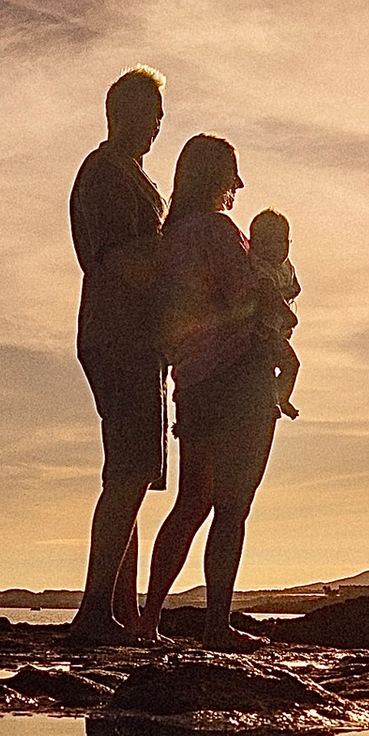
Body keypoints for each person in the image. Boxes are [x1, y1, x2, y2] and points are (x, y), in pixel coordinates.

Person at [139, 133, 280, 650]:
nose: (239, 185)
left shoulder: (168, 237)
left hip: (192, 384)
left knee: (191, 501)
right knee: (232, 505)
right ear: (214, 177)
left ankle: (148, 616)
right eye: (232, 173)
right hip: (239, 379)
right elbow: (247, 296)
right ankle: (216, 626)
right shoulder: (220, 230)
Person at [66, 69, 168, 644]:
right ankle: (94, 612)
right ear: (123, 111)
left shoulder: (127, 174)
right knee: (128, 473)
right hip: (118, 335)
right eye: (152, 112)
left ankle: (120, 616)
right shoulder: (105, 172)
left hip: (131, 339)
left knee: (128, 475)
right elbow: (119, 260)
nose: (158, 124)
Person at [246, 205, 301, 418]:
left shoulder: (286, 266)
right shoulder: (260, 266)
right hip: (265, 331)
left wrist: (288, 292)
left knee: (289, 365)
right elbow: (269, 295)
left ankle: (280, 396)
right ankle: (278, 399)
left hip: (277, 329)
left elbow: (296, 287)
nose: (274, 249)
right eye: (265, 243)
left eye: (281, 242)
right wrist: (289, 316)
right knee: (288, 363)